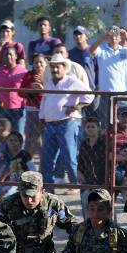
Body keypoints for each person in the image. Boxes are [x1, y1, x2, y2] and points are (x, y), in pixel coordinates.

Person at [38, 53, 94, 185]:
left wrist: (76, 106)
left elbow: (89, 96)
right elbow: (44, 101)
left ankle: (78, 184)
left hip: (67, 122)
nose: (55, 70)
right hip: (50, 123)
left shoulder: (72, 81)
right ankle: (48, 186)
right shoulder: (49, 83)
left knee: (69, 156)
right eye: (52, 67)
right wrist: (42, 118)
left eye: (57, 67)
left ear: (64, 67)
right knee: (47, 157)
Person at [89, 26, 127, 126]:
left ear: (120, 39)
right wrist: (102, 37)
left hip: (122, 93)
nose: (113, 38)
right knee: (107, 124)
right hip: (107, 94)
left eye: (116, 37)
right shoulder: (102, 50)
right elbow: (91, 50)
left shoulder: (123, 51)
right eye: (111, 36)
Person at [0, 47, 27, 136]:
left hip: (19, 109)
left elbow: (28, 90)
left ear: (15, 56)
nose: (8, 56)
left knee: (17, 134)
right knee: (3, 135)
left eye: (10, 54)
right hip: (3, 109)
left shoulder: (23, 72)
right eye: (6, 54)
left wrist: (24, 104)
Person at [78, 117, 106, 216]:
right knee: (87, 209)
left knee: (105, 210)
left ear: (98, 128)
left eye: (93, 127)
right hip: (87, 181)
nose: (90, 129)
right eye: (88, 127)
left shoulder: (104, 144)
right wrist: (79, 173)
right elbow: (80, 162)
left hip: (102, 182)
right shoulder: (83, 144)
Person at [20, 53, 47, 153]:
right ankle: (26, 163)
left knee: (43, 137)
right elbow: (20, 92)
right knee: (31, 137)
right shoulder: (28, 75)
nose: (38, 65)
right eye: (36, 62)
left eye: (41, 62)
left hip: (47, 111)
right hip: (32, 110)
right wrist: (31, 89)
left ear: (46, 63)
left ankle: (43, 162)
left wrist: (42, 88)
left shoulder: (50, 75)